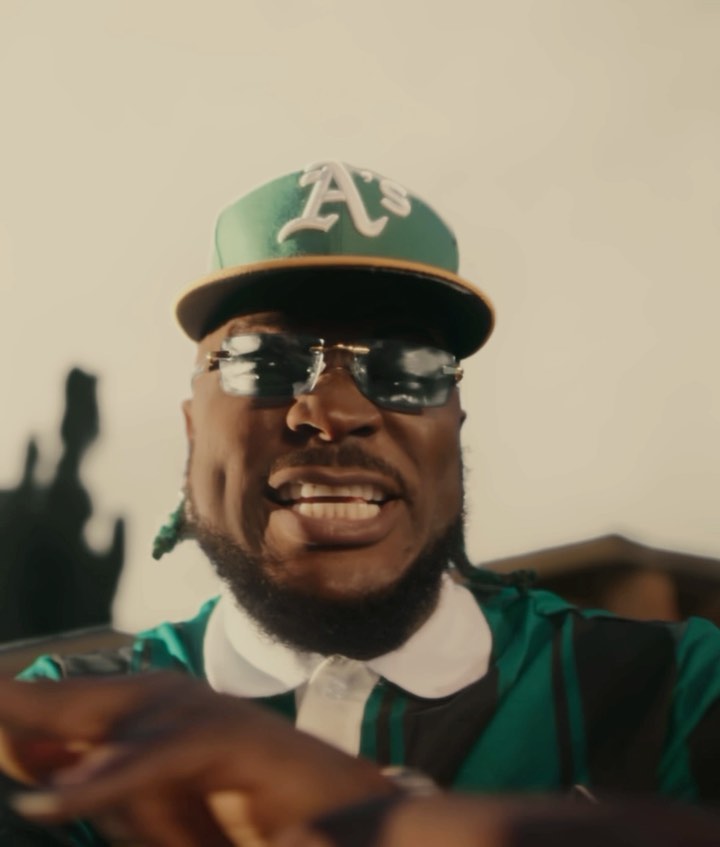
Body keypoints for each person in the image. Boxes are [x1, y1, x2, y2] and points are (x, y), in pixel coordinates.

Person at [1, 160, 719, 845]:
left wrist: (373, 824)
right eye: (265, 361)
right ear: (194, 430)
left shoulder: (674, 688)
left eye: (408, 367)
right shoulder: (64, 727)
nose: (336, 410)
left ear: (454, 429)